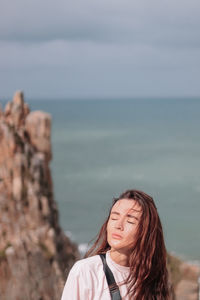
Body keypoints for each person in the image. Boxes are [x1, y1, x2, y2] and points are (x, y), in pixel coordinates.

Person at [61, 189, 170, 299]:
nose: (118, 225)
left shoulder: (152, 279)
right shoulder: (86, 271)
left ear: (146, 232)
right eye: (114, 218)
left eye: (130, 221)